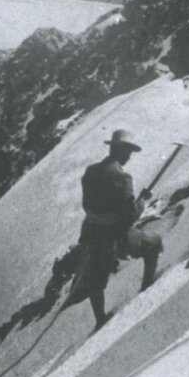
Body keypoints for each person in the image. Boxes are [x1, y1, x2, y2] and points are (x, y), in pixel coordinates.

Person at [76, 129, 163, 330]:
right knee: (154, 243)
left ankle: (100, 319)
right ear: (121, 151)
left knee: (96, 279)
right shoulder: (123, 177)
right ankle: (147, 287)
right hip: (117, 235)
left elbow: (89, 205)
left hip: (92, 234)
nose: (130, 156)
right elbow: (129, 216)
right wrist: (141, 202)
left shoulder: (90, 171)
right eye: (129, 151)